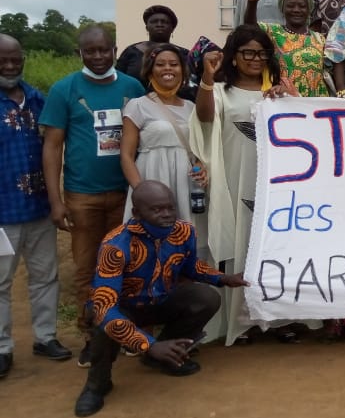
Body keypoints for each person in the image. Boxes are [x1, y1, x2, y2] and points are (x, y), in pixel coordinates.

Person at [72, 181, 249, 417]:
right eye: (156, 210)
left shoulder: (184, 232)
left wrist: (223, 278)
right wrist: (149, 345)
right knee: (103, 320)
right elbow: (105, 306)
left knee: (206, 297)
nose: (166, 215)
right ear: (137, 213)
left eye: (170, 208)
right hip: (125, 308)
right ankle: (97, 384)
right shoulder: (115, 245)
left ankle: (165, 357)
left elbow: (191, 266)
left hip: (161, 300)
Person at [39, 27, 145, 367]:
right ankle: (91, 336)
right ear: (79, 53)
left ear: (114, 50)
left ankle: (124, 333)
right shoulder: (64, 89)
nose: (98, 57)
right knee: (87, 270)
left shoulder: (132, 87)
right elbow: (53, 147)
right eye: (90, 51)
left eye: (104, 50)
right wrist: (56, 201)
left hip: (124, 195)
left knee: (126, 266)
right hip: (82, 195)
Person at [191, 24, 295, 346]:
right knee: (243, 246)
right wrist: (208, 78)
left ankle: (280, 318)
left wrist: (290, 99)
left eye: (261, 53)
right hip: (238, 179)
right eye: (248, 52)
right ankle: (242, 321)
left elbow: (301, 130)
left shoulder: (278, 90)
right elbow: (205, 118)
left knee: (273, 245)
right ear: (234, 57)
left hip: (275, 180)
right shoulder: (221, 93)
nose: (255, 58)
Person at [0, 34, 73, 379]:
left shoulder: (38, 99)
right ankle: (2, 348)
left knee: (45, 277)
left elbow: (53, 146)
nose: (11, 66)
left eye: (16, 59)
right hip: (3, 212)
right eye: (3, 60)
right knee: (1, 283)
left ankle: (45, 337)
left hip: (40, 207)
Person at [120, 45, 206, 227]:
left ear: (182, 71)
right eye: (160, 64)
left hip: (185, 182)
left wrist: (200, 166)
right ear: (150, 70)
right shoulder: (137, 105)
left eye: (174, 64)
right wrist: (142, 192)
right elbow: (126, 156)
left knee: (185, 238)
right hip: (150, 176)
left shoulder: (191, 107)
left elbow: (197, 151)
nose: (168, 68)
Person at [244, 0, 328, 97]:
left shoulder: (319, 38)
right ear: (282, 9)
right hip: (283, 99)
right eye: (290, 6)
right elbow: (250, 28)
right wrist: (252, 3)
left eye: (302, 6)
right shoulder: (273, 32)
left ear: (309, 10)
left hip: (316, 102)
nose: (296, 10)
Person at [115, 6, 190, 95]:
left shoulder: (184, 54)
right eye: (154, 22)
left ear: (172, 28)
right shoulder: (131, 51)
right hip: (134, 104)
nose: (159, 24)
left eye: (164, 22)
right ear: (147, 27)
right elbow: (118, 79)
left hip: (174, 105)